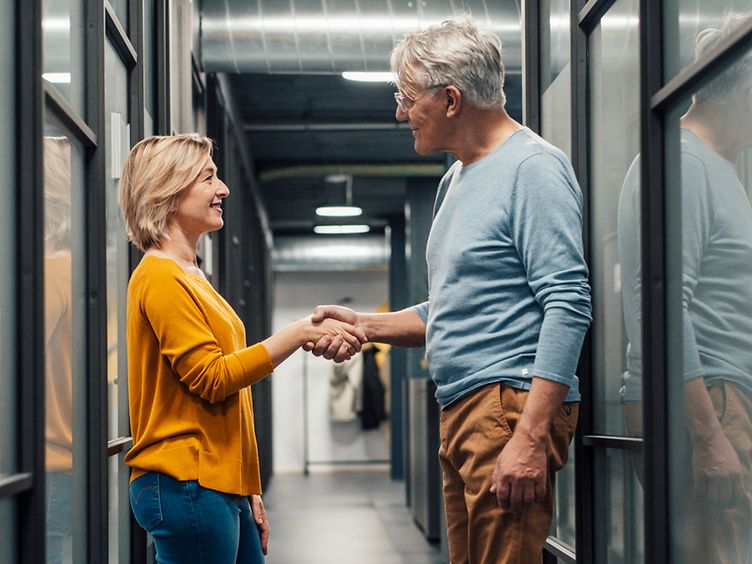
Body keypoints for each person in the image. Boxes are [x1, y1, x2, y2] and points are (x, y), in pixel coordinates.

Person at [305, 15, 592, 563]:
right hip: (461, 409)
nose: (399, 113)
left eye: (408, 98)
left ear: (452, 100)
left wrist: (529, 436)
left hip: (507, 408)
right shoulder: (455, 180)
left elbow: (568, 300)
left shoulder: (533, 169)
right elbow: (452, 309)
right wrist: (365, 325)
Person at [119, 134, 366, 564]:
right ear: (169, 191)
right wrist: (300, 333)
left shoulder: (191, 274)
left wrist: (248, 486)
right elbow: (213, 378)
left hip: (219, 482)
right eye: (209, 178)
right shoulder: (159, 277)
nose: (223, 190)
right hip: (186, 482)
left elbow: (232, 400)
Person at [618, 14, 752, 564]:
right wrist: (707, 434)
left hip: (723, 399)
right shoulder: (683, 163)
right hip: (708, 404)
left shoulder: (720, 167)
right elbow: (662, 308)